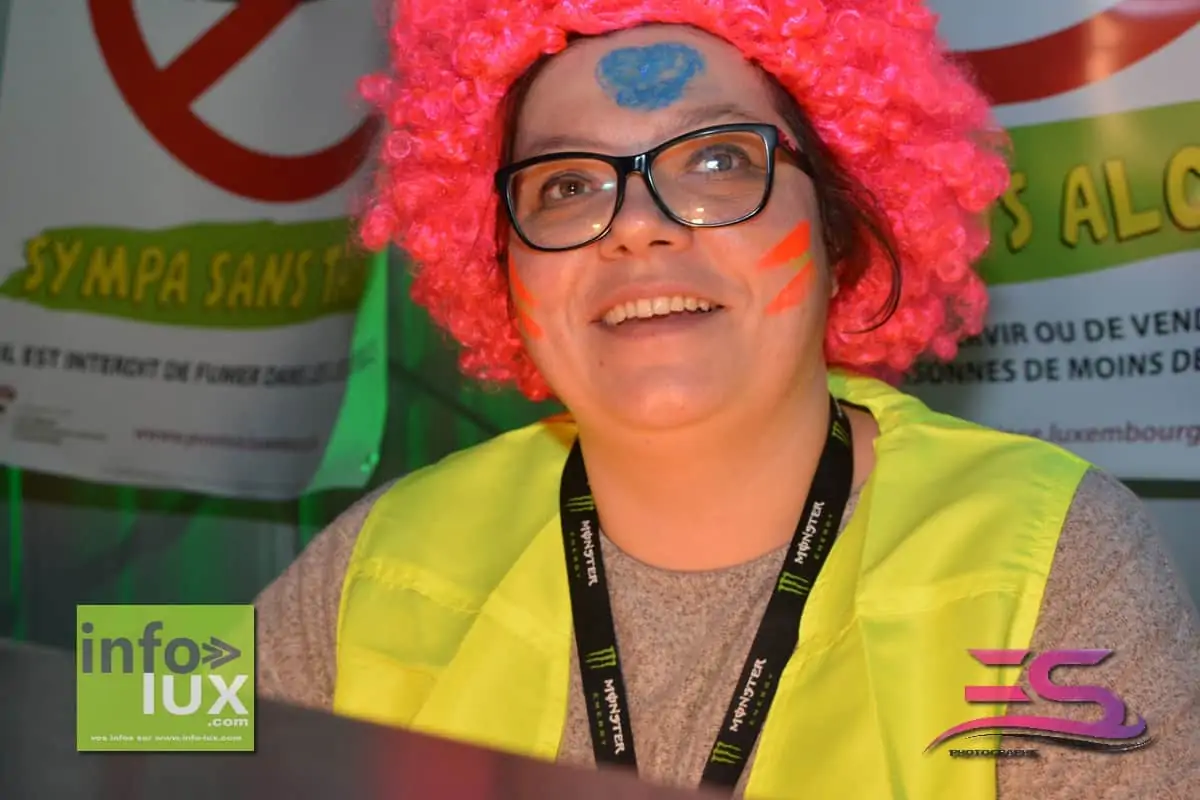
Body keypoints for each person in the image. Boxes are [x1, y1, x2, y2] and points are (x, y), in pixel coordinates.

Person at [255, 0, 1200, 797]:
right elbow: (157, 732)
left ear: (839, 225)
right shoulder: (374, 563)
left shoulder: (1051, 556)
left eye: (718, 162)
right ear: (499, 264)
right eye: (567, 184)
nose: (636, 228)